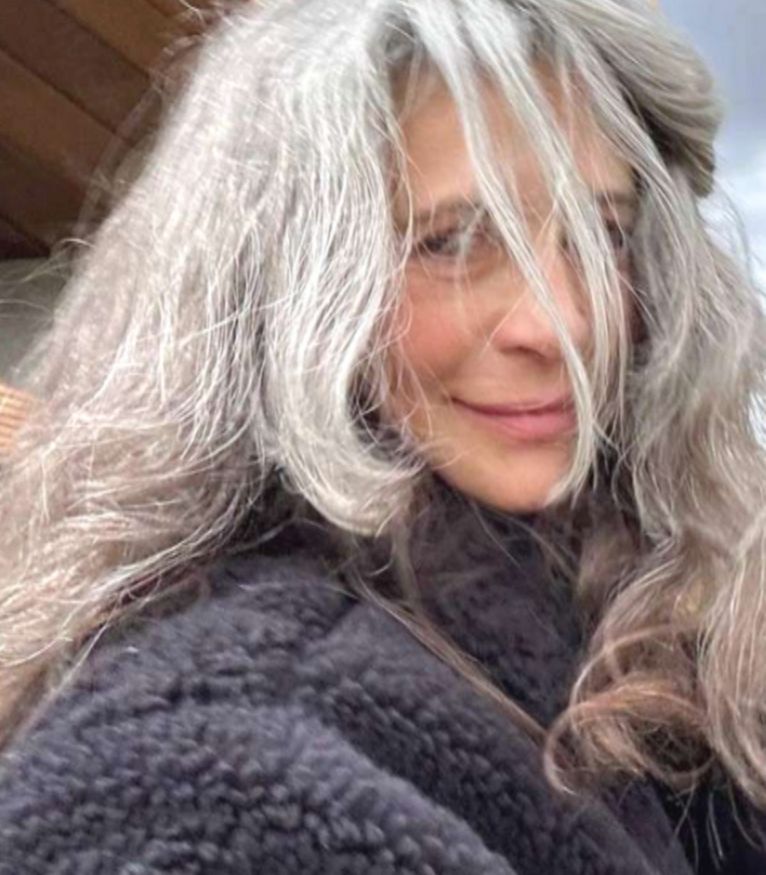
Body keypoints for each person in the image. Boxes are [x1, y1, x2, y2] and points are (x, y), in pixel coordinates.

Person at [0, 0, 765, 871]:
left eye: (603, 233)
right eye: (453, 241)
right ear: (283, 282)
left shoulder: (651, 603)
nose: (563, 323)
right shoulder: (204, 774)